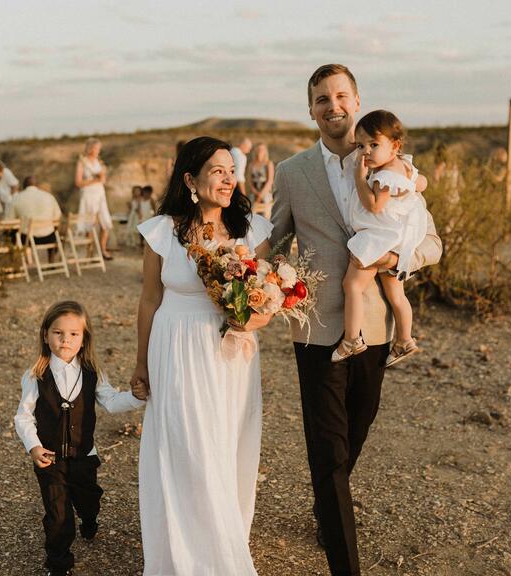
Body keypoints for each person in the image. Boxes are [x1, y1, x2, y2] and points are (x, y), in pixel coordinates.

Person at [269, 64, 442, 576]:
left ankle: (329, 506)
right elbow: (277, 243)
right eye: (321, 99)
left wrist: (394, 261)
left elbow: (432, 244)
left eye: (341, 95)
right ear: (311, 110)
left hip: (378, 326)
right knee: (326, 445)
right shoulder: (291, 171)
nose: (333, 106)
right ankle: (345, 559)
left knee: (357, 426)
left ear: (357, 99)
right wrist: (269, 280)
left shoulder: (398, 168)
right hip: (316, 326)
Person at [131, 136, 273, 575]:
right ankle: (182, 555)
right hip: (175, 349)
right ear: (190, 179)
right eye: (217, 170)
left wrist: (250, 321)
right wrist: (140, 363)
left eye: (232, 170)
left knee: (226, 447)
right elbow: (149, 300)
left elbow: (265, 299)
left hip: (230, 357)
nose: (229, 178)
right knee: (185, 448)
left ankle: (223, 543)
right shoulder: (160, 232)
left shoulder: (254, 231)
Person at [14, 300, 147, 576]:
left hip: (84, 455)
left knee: (88, 498)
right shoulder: (35, 375)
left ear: (84, 338)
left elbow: (110, 401)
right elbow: (23, 416)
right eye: (58, 333)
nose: (65, 340)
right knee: (58, 513)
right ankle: (59, 564)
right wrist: (34, 447)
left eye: (74, 334)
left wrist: (135, 399)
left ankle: (90, 518)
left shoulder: (92, 373)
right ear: (45, 335)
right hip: (50, 459)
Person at [331, 110, 429, 367]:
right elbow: (423, 183)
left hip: (378, 238)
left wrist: (359, 179)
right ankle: (404, 339)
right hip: (396, 237)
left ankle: (351, 339)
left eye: (374, 145)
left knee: (352, 285)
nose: (366, 152)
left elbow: (374, 206)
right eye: (361, 145)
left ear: (394, 146)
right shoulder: (403, 166)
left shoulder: (384, 177)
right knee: (396, 294)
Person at [5, 176, 63, 258]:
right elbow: (58, 217)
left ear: (24, 186)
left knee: (10, 235)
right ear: (37, 185)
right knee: (56, 233)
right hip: (49, 237)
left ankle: (15, 262)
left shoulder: (16, 198)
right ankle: (51, 260)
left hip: (26, 239)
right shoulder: (49, 197)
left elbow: (8, 221)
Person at [75, 138, 113, 259]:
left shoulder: (99, 162)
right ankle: (90, 252)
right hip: (88, 194)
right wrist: (95, 180)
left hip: (100, 194)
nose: (98, 150)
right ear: (91, 148)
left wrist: (102, 176)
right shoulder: (82, 162)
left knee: (105, 222)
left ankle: (103, 250)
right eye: (97, 148)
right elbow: (78, 182)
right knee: (89, 223)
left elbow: (103, 180)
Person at [248, 142, 275, 219]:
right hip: (254, 195)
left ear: (265, 151)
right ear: (255, 150)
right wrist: (256, 193)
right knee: (252, 219)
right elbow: (249, 181)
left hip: (266, 195)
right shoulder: (251, 164)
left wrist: (261, 195)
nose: (260, 150)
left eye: (262, 149)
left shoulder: (269, 163)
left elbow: (270, 181)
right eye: (258, 149)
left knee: (266, 219)